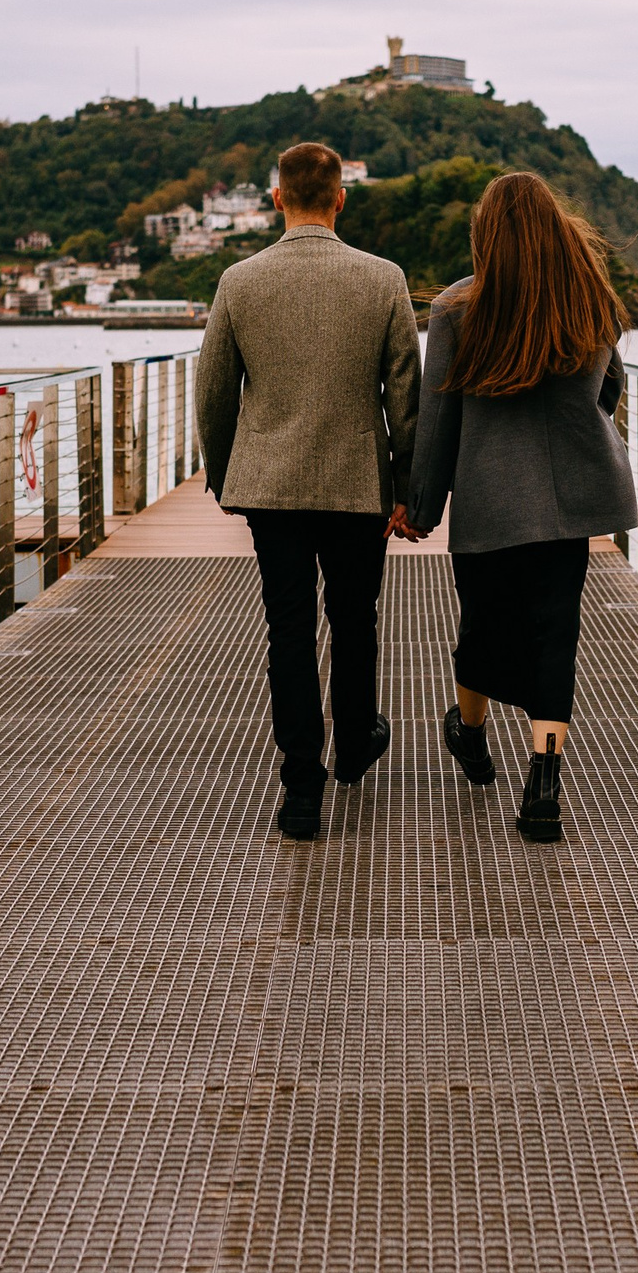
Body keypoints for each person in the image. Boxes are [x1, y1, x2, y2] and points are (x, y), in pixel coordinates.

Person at [196, 141, 422, 842]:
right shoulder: (383, 278)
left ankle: (301, 787)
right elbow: (406, 395)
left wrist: (226, 474)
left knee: (288, 628)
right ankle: (354, 745)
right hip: (358, 482)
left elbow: (212, 391)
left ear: (276, 200)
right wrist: (407, 485)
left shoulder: (239, 281)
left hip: (272, 486)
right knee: (355, 620)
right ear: (340, 199)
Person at [406, 171, 636, 843]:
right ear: (554, 226)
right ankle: (543, 783)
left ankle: (471, 735)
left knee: (482, 624)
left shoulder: (456, 307)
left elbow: (437, 419)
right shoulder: (589, 298)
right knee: (553, 632)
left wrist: (420, 506)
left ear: (486, 233)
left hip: (489, 497)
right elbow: (610, 392)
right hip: (567, 501)